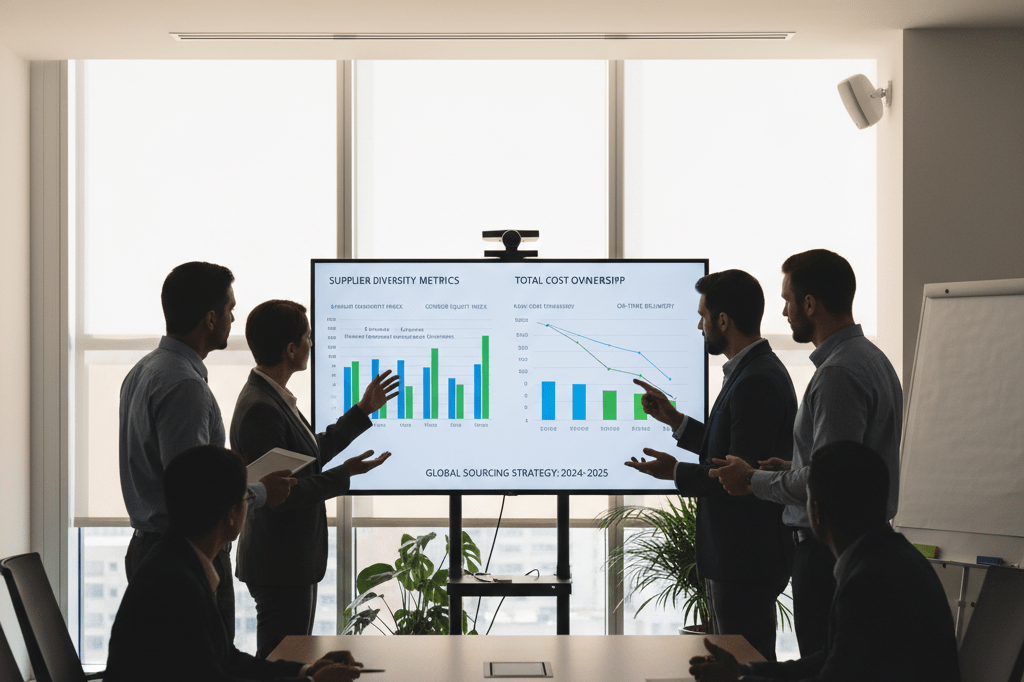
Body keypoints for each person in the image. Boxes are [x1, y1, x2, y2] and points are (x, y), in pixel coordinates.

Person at [709, 249, 903, 656]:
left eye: (787, 300)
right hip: (854, 548)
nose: (783, 313)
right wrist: (792, 466)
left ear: (810, 304)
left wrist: (751, 480)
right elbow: (843, 464)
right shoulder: (873, 360)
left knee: (821, 665)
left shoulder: (836, 374)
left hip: (826, 554)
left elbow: (829, 481)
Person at [119, 262, 296, 640]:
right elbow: (197, 494)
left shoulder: (142, 371)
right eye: (230, 309)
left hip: (150, 552)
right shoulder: (185, 387)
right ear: (211, 318)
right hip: (183, 559)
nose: (234, 318)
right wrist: (264, 492)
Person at [627, 270, 797, 661]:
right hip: (741, 557)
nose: (699, 325)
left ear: (723, 321)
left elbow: (737, 477)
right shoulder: (751, 371)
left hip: (743, 559)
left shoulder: (756, 380)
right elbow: (730, 451)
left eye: (703, 315)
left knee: (743, 664)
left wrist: (674, 472)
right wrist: (675, 421)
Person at [689, 441, 960, 682]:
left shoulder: (868, 579)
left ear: (815, 512)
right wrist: (745, 670)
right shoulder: (890, 558)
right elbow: (829, 659)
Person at [106, 445, 365, 682]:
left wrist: (305, 670)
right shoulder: (176, 584)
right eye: (245, 498)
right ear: (232, 515)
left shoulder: (179, 561)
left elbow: (227, 660)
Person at [231, 299, 399, 658]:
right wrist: (344, 475)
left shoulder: (274, 397)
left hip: (289, 563)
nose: (312, 343)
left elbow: (305, 456)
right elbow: (280, 494)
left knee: (289, 659)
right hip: (279, 565)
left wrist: (360, 412)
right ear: (291, 349)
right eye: (308, 337)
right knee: (281, 661)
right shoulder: (261, 408)